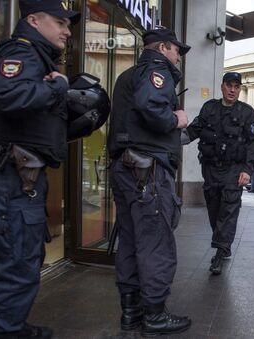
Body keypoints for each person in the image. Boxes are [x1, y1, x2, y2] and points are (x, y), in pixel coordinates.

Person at [0, 2, 80, 338]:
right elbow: (5, 94)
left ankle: (12, 326)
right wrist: (57, 87)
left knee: (24, 257)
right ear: (33, 20)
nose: (67, 30)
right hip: (14, 177)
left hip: (22, 177)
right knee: (18, 261)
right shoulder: (21, 52)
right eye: (60, 22)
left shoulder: (37, 56)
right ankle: (7, 332)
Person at [107, 27, 191, 336]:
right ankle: (155, 315)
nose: (179, 56)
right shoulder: (158, 70)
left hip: (126, 168)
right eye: (177, 49)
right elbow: (150, 106)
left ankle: (131, 313)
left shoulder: (127, 76)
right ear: (164, 48)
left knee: (129, 241)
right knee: (155, 242)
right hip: (148, 172)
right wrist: (175, 119)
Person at [186, 72, 254, 275]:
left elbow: (253, 143)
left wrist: (248, 170)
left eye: (236, 86)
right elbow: (195, 129)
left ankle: (219, 253)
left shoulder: (246, 112)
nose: (232, 90)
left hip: (234, 170)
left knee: (228, 209)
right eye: (229, 85)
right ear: (222, 87)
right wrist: (173, 138)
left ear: (240, 89)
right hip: (210, 168)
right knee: (214, 209)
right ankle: (223, 243)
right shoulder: (209, 107)